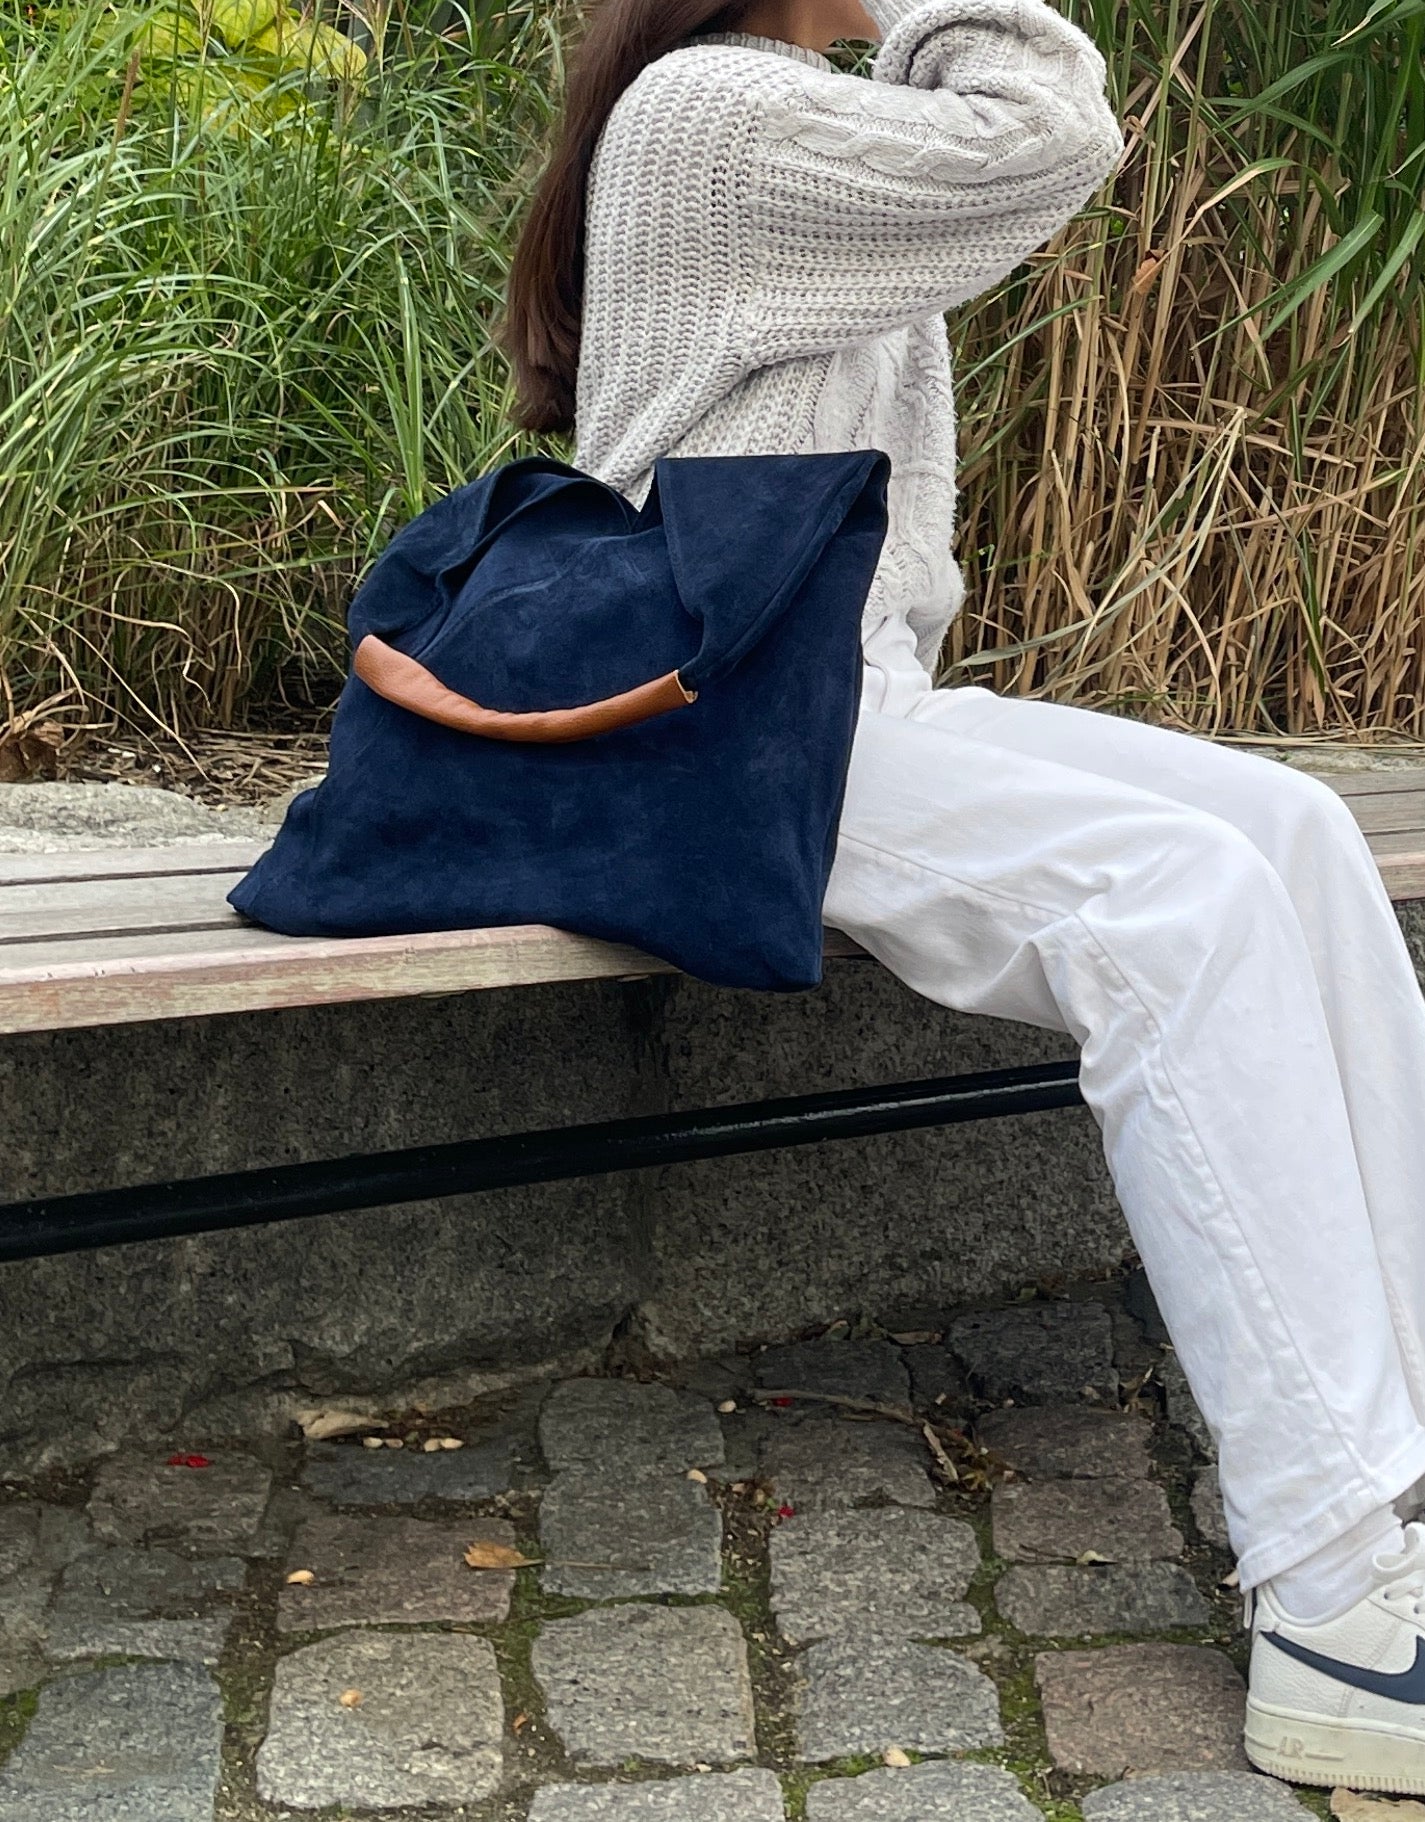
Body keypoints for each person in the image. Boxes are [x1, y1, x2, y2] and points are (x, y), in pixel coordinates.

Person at [495, 0, 1425, 1790]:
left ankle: (1404, 1478)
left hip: (851, 699)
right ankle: (1328, 1597)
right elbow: (1054, 132)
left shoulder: (788, 107)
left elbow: (1031, 149)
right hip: (737, 720)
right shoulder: (716, 109)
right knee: (1178, 904)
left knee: (1293, 837)